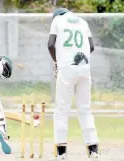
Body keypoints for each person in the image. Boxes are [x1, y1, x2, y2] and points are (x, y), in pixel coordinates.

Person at [47, 8, 99, 160]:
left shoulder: (57, 20)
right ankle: (93, 150)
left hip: (67, 68)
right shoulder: (82, 21)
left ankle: (61, 152)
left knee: (62, 110)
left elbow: (50, 45)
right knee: (85, 109)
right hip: (84, 67)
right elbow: (92, 47)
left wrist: (57, 61)